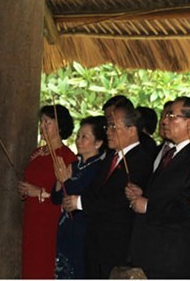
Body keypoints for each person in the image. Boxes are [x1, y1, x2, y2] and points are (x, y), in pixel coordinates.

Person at [127, 96, 190, 278]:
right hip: (152, 250)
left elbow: (189, 208)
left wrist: (148, 206)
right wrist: (144, 194)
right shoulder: (173, 152)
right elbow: (168, 193)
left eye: (172, 116)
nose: (165, 121)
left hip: (171, 256)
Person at [62, 101, 153, 279]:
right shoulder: (111, 157)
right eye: (108, 125)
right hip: (96, 240)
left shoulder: (140, 160)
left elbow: (119, 200)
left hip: (117, 244)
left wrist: (80, 202)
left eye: (113, 126)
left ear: (131, 130)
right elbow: (95, 190)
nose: (108, 131)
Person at [17, 105, 77, 279]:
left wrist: (41, 193)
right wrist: (25, 190)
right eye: (41, 122)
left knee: (44, 265)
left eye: (47, 122)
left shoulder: (67, 157)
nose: (42, 126)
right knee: (29, 265)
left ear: (60, 126)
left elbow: (68, 195)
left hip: (50, 221)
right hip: (32, 218)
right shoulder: (37, 153)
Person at [51, 116, 108, 279]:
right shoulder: (74, 165)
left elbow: (84, 194)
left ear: (98, 143)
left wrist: (65, 180)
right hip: (65, 226)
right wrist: (58, 180)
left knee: (78, 270)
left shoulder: (99, 168)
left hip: (83, 228)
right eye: (78, 136)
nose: (79, 141)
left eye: (85, 137)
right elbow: (56, 198)